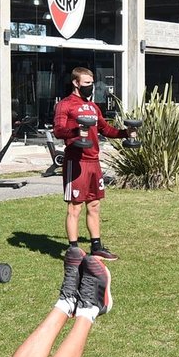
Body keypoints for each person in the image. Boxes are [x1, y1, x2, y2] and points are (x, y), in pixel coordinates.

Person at [53, 67, 126, 261]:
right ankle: (73, 250)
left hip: (94, 161)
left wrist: (125, 133)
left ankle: (96, 247)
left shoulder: (93, 107)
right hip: (76, 161)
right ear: (76, 83)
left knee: (94, 205)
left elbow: (105, 129)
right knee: (75, 207)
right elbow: (59, 131)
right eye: (86, 83)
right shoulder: (65, 105)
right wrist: (76, 132)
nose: (90, 87)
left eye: (92, 83)